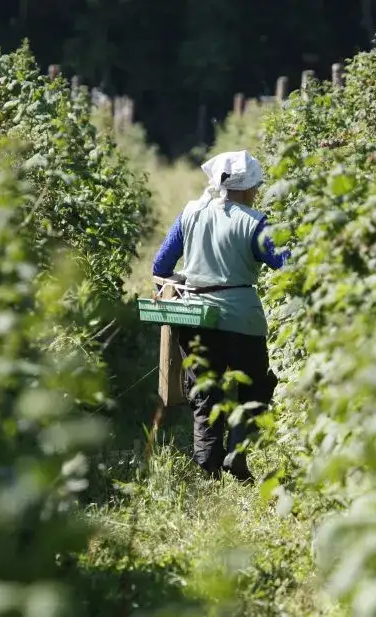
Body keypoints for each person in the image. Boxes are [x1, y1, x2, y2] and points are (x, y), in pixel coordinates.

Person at [151, 150, 289, 483]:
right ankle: (236, 453)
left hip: (197, 317)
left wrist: (192, 275)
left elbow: (160, 267)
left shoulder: (191, 213)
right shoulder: (255, 222)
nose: (256, 192)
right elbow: (285, 262)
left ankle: (207, 468)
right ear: (247, 188)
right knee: (255, 387)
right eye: (255, 186)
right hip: (243, 320)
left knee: (204, 392)